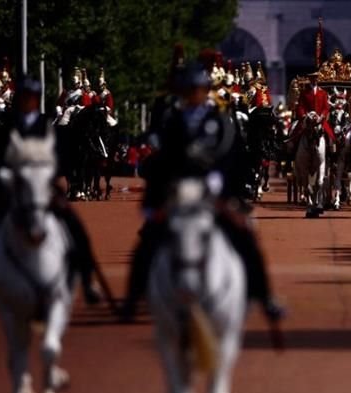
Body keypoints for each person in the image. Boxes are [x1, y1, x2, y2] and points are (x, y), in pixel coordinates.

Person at [120, 63, 283, 334]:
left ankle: (265, 298)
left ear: (205, 91)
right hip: (180, 192)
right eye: (190, 90)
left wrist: (223, 186)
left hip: (212, 194)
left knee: (245, 237)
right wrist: (154, 202)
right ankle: (133, 297)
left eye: (198, 89)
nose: (194, 94)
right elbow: (163, 162)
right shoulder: (174, 121)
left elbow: (232, 156)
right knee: (148, 239)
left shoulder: (219, 121)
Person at [0, 75, 102, 315]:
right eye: (25, 97)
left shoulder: (45, 123)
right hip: (15, 189)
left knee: (75, 226)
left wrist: (49, 177)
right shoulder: (8, 122)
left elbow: (56, 154)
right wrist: (5, 177)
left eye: (32, 98)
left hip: (42, 187)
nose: (28, 102)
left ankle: (88, 281)